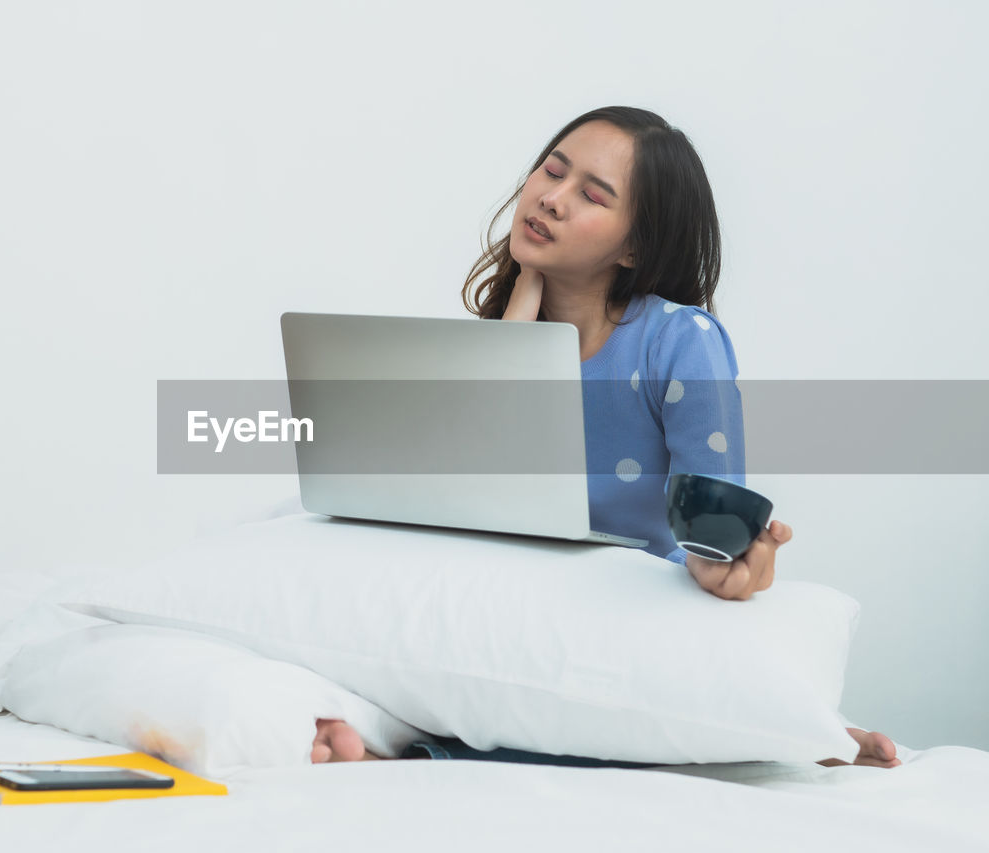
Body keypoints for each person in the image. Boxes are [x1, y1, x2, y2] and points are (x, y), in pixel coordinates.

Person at [310, 106, 898, 769]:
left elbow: (711, 524)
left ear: (633, 247)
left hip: (622, 610)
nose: (551, 199)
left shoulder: (680, 340)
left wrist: (726, 562)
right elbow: (464, 515)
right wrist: (513, 342)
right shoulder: (496, 336)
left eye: (591, 194)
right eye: (551, 170)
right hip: (504, 598)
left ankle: (794, 731)